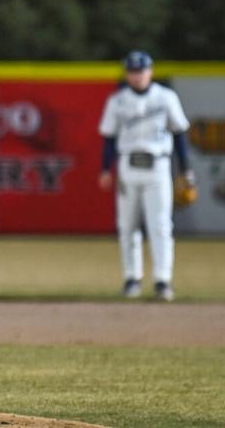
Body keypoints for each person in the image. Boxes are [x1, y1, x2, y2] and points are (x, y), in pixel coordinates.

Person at [97, 51, 192, 302]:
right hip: (128, 167)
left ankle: (162, 280)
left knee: (160, 225)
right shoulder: (117, 101)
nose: (137, 76)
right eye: (132, 71)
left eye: (141, 71)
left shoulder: (166, 97)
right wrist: (106, 169)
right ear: (127, 74)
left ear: (150, 71)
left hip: (158, 167)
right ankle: (132, 278)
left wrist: (186, 171)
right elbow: (109, 138)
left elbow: (180, 134)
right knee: (127, 225)